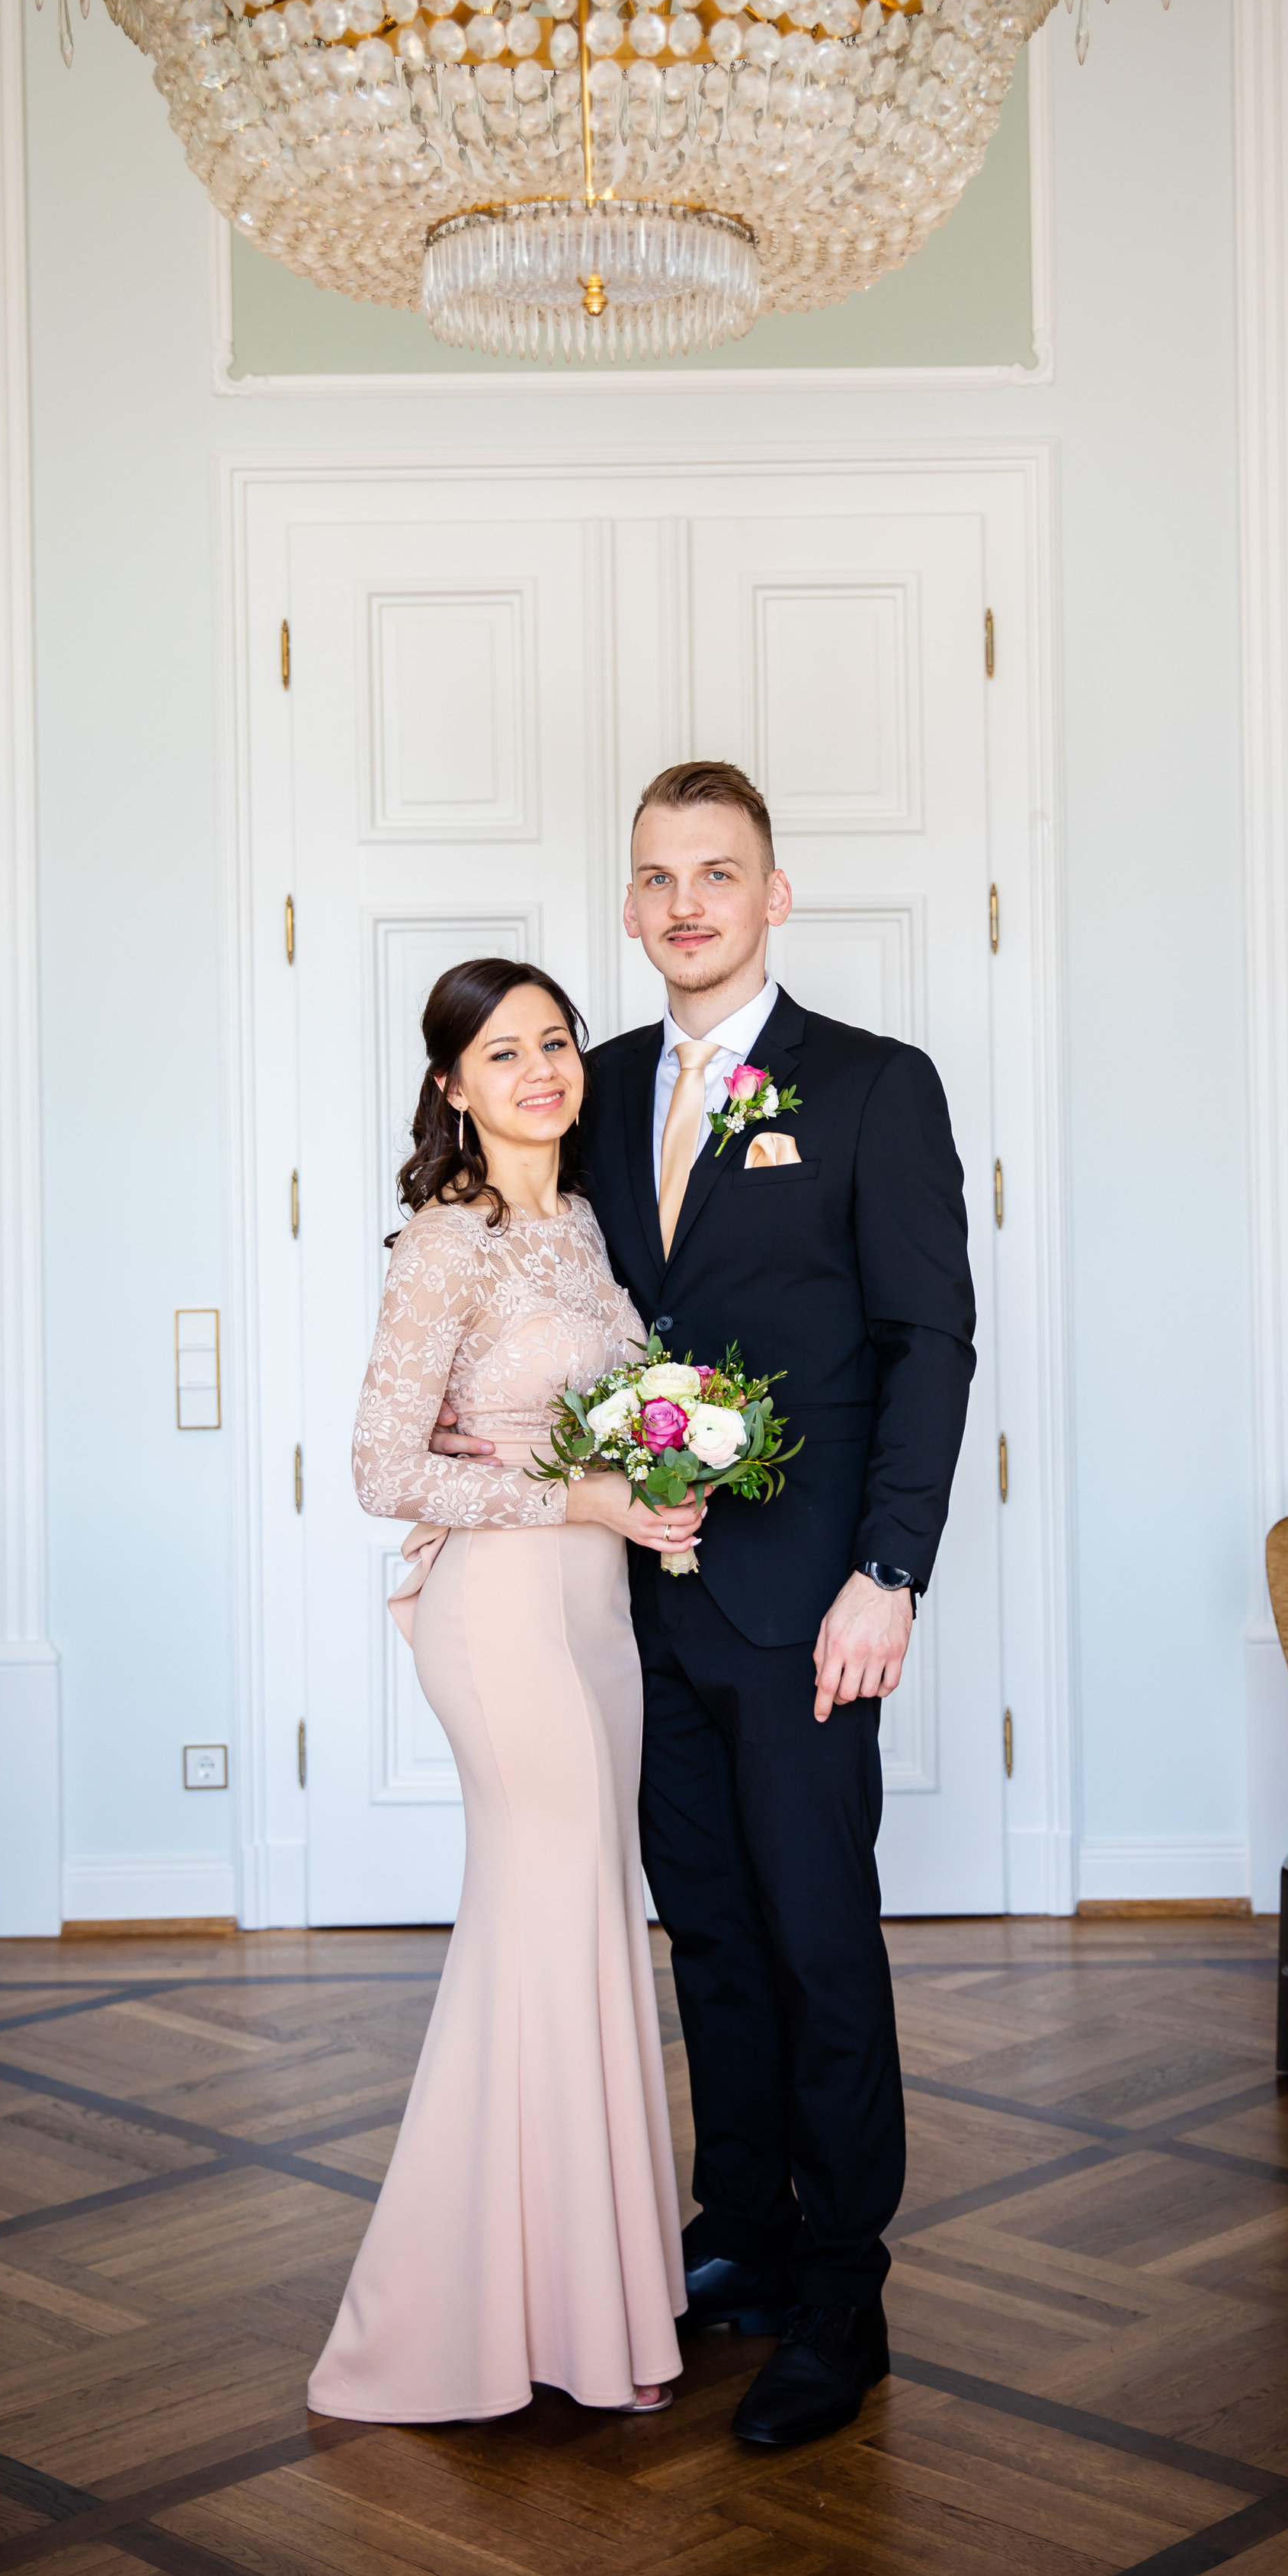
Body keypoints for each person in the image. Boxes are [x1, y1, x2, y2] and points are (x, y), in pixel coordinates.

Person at [436, 761, 976, 2449]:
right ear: (626, 903)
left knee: (818, 1941)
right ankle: (735, 2227)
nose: (684, 903)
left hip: (807, 1600)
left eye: (716, 873)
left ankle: (841, 2285)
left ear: (772, 895)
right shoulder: (580, 1086)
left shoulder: (874, 1088)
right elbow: (512, 1278)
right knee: (710, 1943)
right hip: (620, 1612)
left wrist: (886, 1574)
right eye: (656, 877)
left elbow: (926, 1346)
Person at [306, 959, 701, 2426]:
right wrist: (586, 1499)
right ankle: (468, 2319)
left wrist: (655, 1490)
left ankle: (582, 2304)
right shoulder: (444, 1246)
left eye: (556, 1041)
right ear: (452, 1086)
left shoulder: (588, 1224)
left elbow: (616, 1425)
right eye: (502, 1051)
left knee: (587, 1932)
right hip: (502, 1621)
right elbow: (379, 1471)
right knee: (544, 1931)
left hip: (597, 1622)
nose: (539, 1068)